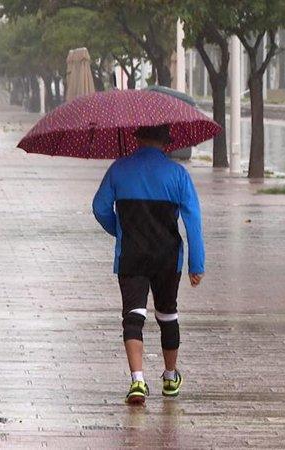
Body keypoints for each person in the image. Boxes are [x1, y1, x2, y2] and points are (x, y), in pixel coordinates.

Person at [92, 124, 205, 405]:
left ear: (138, 137)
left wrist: (120, 229)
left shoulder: (119, 169)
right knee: (167, 314)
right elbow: (193, 222)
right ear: (166, 142)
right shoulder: (178, 174)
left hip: (131, 255)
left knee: (133, 316)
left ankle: (138, 381)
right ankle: (169, 377)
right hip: (168, 259)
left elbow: (99, 207)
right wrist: (196, 264)